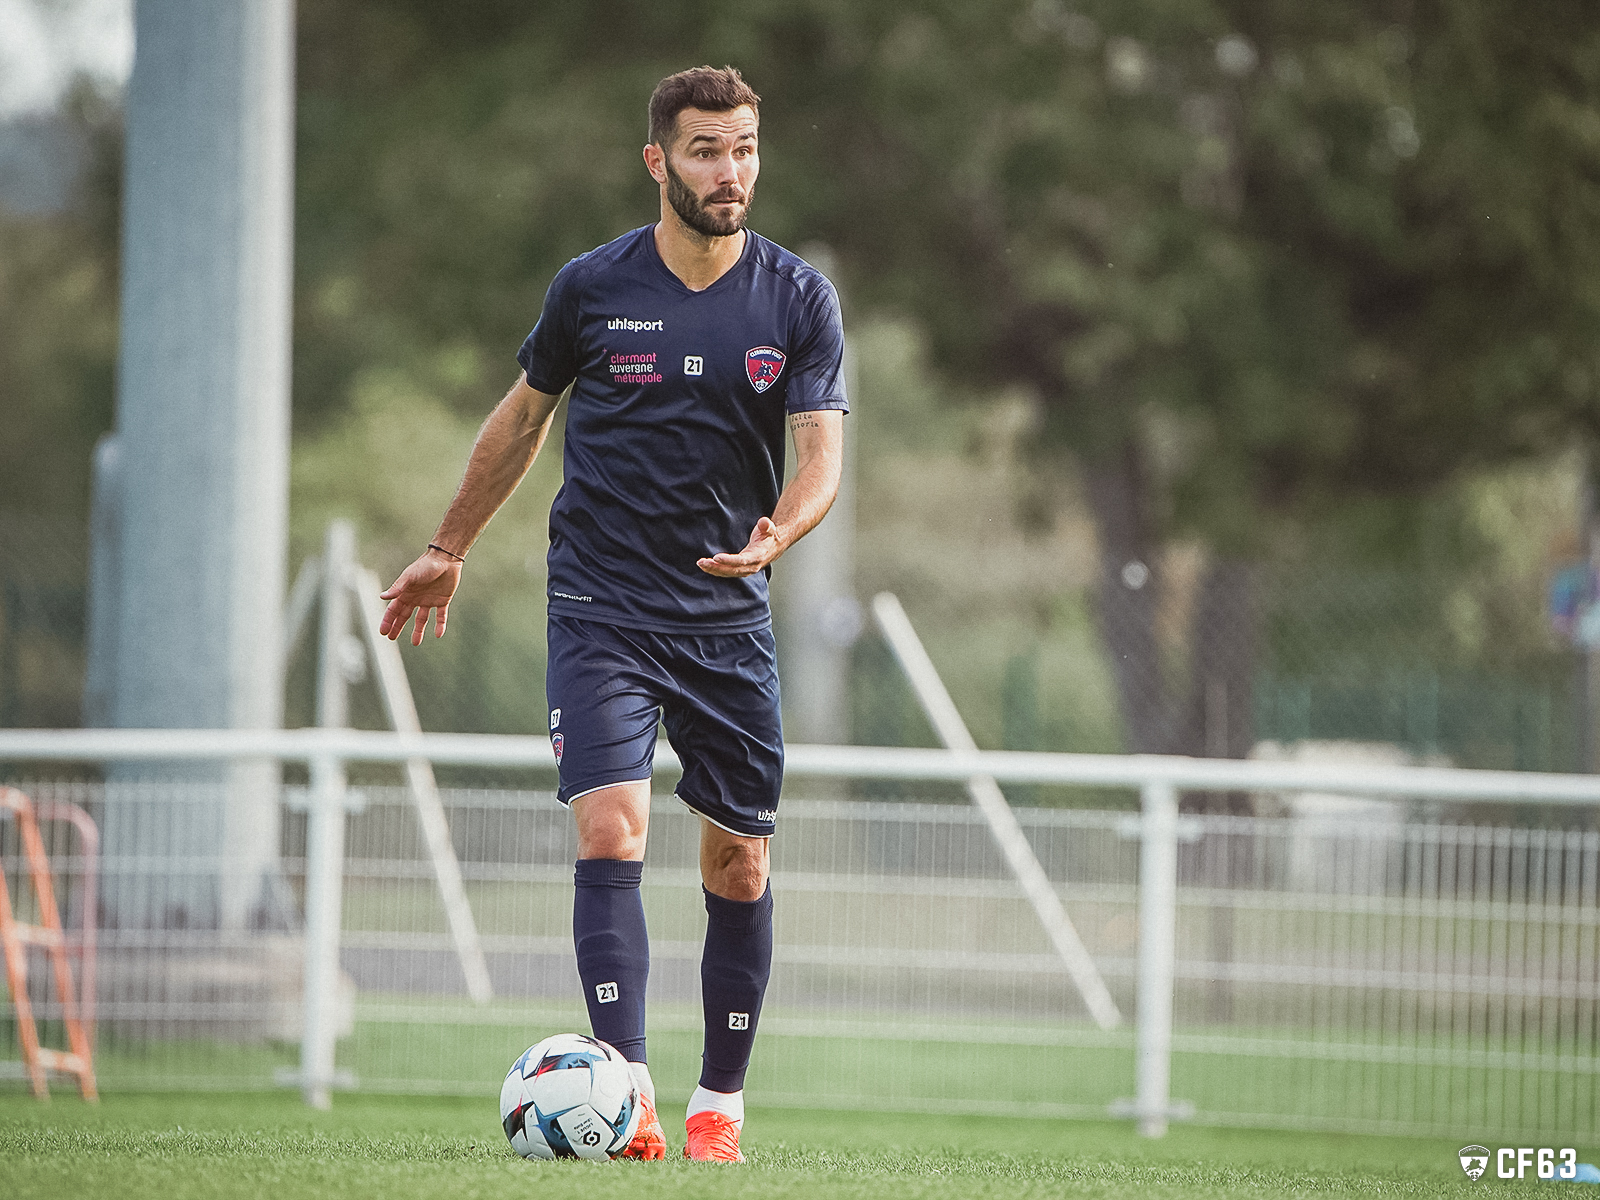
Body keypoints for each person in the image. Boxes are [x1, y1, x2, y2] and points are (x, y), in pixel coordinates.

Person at [377, 64, 847, 1163]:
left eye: (743, 152)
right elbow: (521, 419)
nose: (729, 174)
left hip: (727, 620)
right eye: (704, 152)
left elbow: (822, 454)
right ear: (658, 162)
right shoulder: (592, 287)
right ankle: (625, 1096)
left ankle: (717, 1109)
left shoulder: (797, 298)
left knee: (739, 863)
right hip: (601, 607)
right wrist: (450, 545)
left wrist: (780, 532)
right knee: (610, 828)